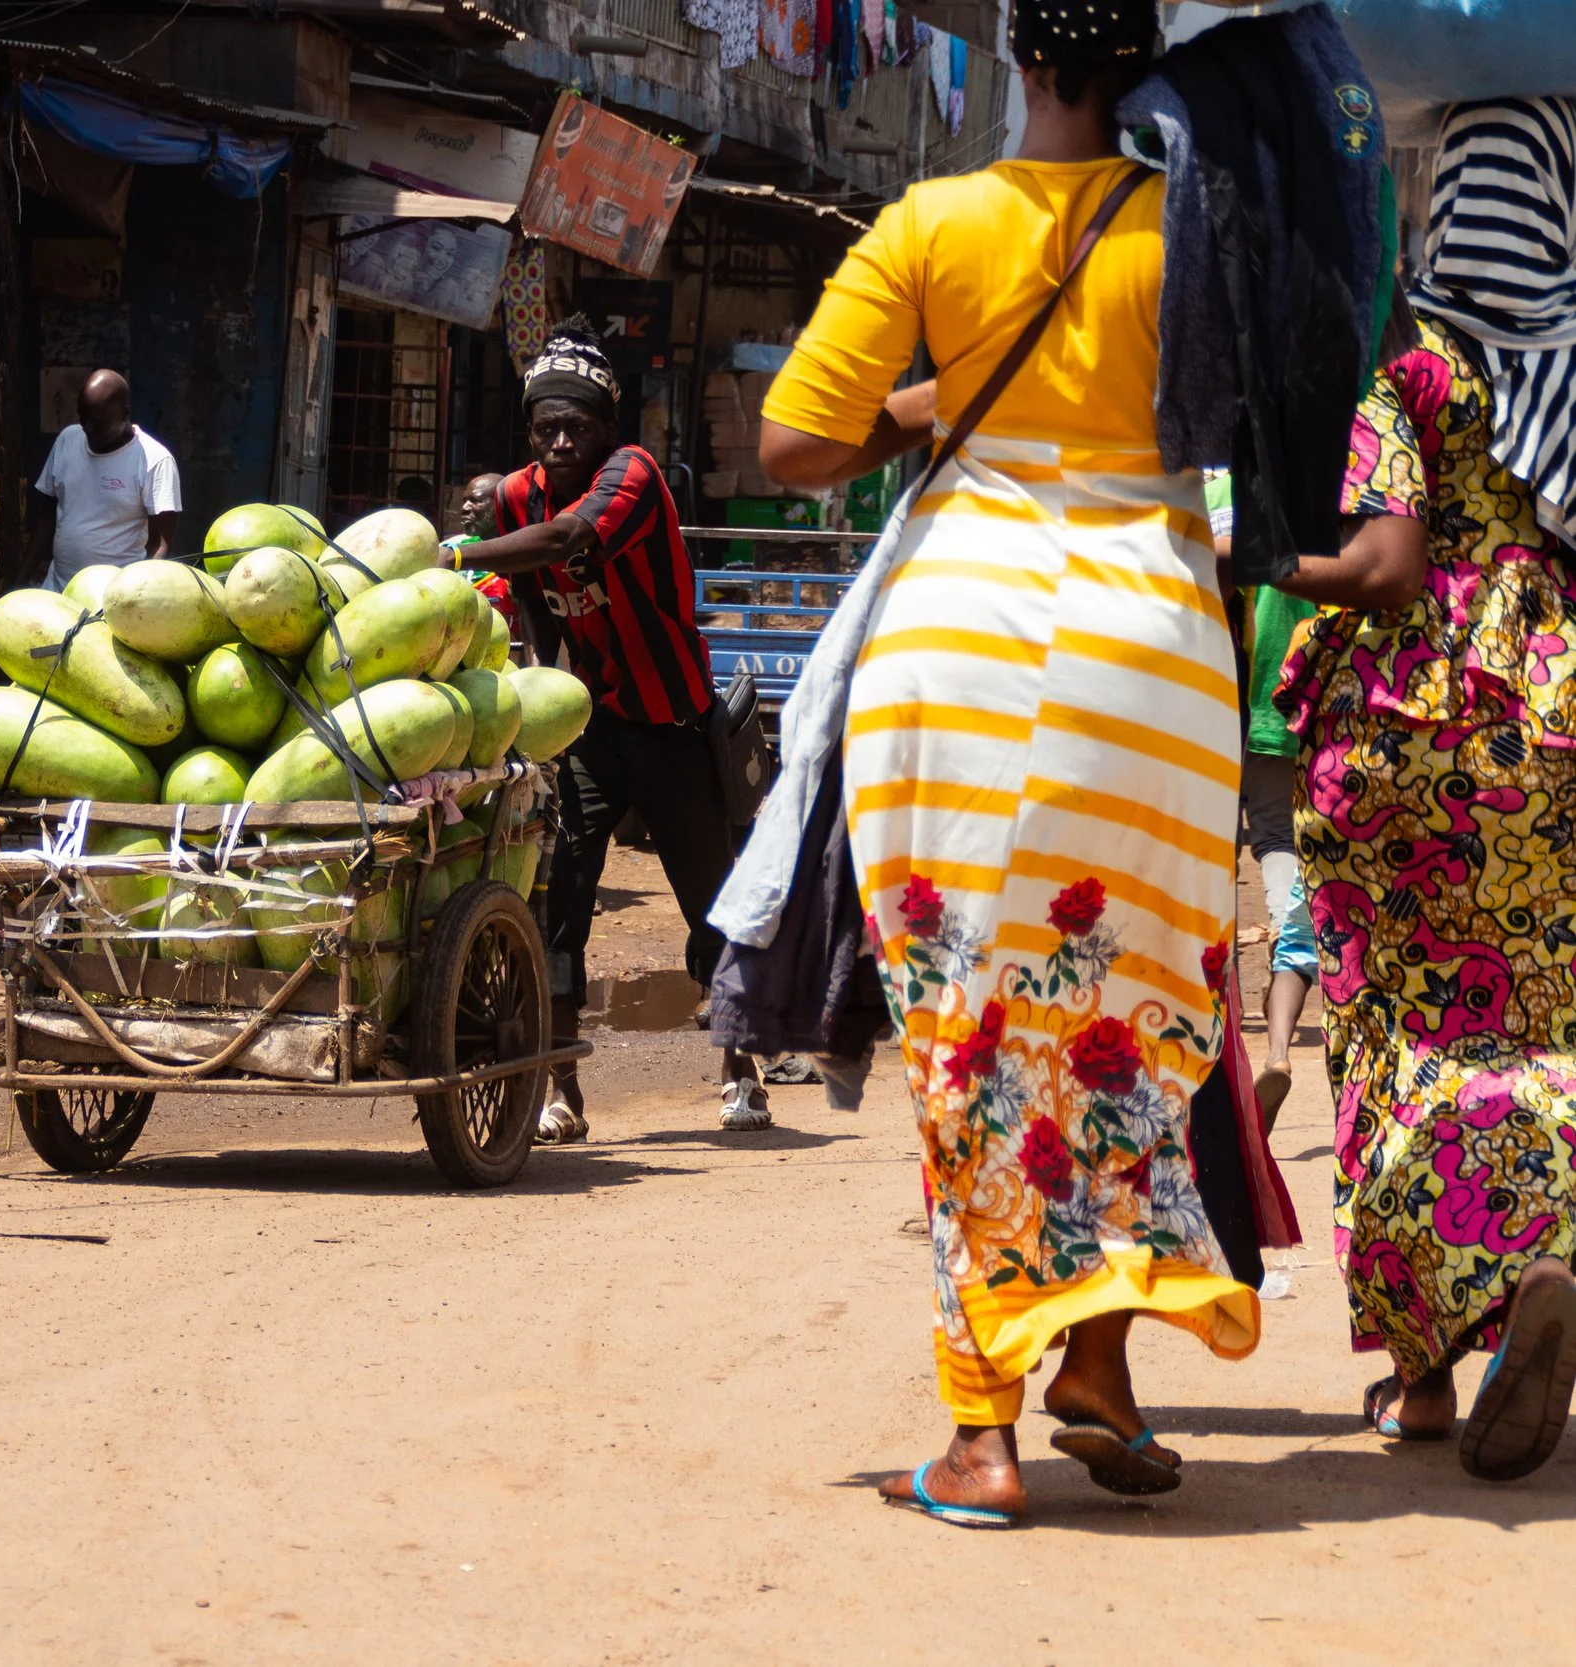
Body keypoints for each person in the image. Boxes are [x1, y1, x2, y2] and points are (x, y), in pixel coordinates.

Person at [756, 0, 1260, 1528]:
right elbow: (1259, 422)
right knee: (1125, 1018)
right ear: (1143, 65)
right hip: (1152, 656)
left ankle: (982, 1433)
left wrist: (933, 402)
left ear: (1025, 60)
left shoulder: (930, 221)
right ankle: (1098, 1358)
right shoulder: (1208, 231)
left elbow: (792, 442)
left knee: (972, 1036)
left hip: (958, 645)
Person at [1275, 96, 1576, 1480]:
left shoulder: (1413, 373)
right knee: (1537, 1019)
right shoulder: (1569, 377)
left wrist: (1280, 565)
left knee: (1394, 1025)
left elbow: (1387, 568)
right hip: (1556, 724)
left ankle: (1420, 1377)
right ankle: (1538, 1264)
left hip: (1408, 730)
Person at [460, 318, 732, 1142]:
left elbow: (570, 540)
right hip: (595, 721)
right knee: (561, 896)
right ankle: (560, 1085)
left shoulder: (634, 474)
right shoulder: (513, 495)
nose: (563, 440)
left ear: (608, 428)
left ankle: (739, 1066)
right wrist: (553, 703)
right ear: (531, 429)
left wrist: (461, 556)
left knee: (706, 898)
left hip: (673, 719)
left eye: (578, 425)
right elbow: (539, 605)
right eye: (548, 427)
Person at [1212, 469, 1319, 1132]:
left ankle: (1221, 1039)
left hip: (1241, 703)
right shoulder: (1332, 483)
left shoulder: (1227, 494)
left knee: (1233, 854)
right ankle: (1278, 1047)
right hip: (1315, 702)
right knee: (1292, 857)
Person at [26, 370, 180, 592]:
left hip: (112, 601)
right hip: (57, 593)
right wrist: (18, 582)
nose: (87, 428)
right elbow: (47, 516)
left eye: (97, 423)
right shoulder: (68, 440)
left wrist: (136, 599)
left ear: (124, 414)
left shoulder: (155, 460)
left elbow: (162, 544)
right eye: (83, 419)